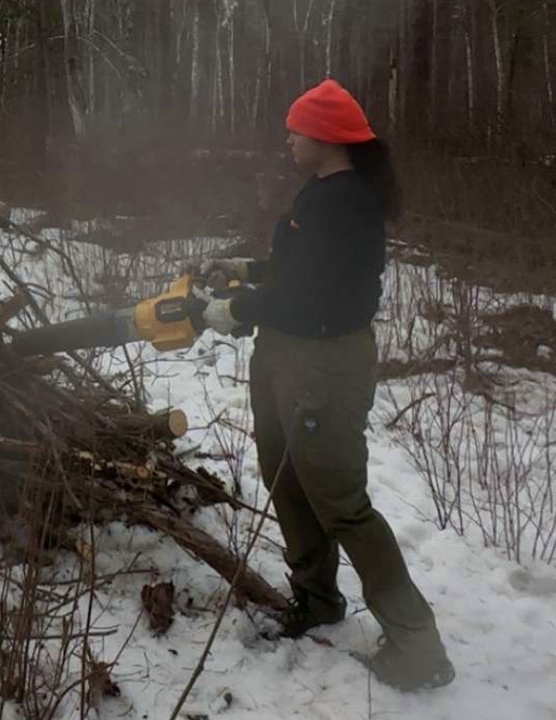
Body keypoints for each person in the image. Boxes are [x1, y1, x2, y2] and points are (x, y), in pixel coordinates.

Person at [199, 78, 455, 691]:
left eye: (297, 129)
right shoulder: (321, 191)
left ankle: (419, 648)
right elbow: (300, 270)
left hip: (322, 367)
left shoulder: (347, 202)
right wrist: (247, 269)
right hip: (284, 357)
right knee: (287, 480)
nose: (288, 138)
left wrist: (238, 308)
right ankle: (316, 600)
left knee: (341, 504)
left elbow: (313, 296)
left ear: (326, 135)